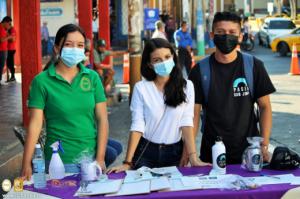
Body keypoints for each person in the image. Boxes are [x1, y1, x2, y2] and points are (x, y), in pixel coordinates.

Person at [21, 24, 110, 180]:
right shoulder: (41, 82)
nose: (75, 49)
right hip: (59, 162)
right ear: (57, 48)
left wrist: (100, 158)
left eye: (80, 45)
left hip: (91, 160)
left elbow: (102, 119)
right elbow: (35, 124)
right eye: (68, 44)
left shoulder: (92, 77)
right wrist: (26, 163)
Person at [108, 38, 210, 173]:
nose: (164, 62)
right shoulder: (141, 88)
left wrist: (193, 157)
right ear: (150, 64)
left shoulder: (187, 86)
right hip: (146, 152)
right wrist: (127, 162)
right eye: (157, 60)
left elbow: (186, 122)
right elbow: (137, 126)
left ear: (173, 57)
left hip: (175, 153)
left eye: (167, 57)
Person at [188, 12, 276, 165]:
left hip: (249, 154)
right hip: (212, 155)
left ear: (240, 36)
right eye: (220, 32)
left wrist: (264, 144)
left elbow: (265, 107)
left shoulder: (254, 66)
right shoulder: (199, 71)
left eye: (232, 33)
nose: (226, 37)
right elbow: (193, 115)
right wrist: (189, 153)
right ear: (211, 35)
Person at [0, 16, 13, 85]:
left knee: (1, 65)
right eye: (9, 23)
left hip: (4, 50)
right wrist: (9, 37)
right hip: (1, 50)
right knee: (1, 65)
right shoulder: (0, 28)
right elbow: (1, 40)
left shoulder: (3, 29)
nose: (9, 25)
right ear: (5, 22)